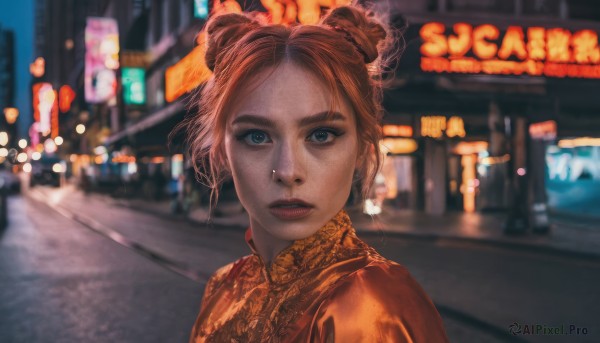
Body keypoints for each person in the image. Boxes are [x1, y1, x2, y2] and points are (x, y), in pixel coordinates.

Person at [184, 5, 449, 342]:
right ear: (222, 151)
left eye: (321, 135)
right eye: (256, 136)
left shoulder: (371, 304)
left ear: (361, 147)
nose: (288, 172)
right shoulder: (222, 288)